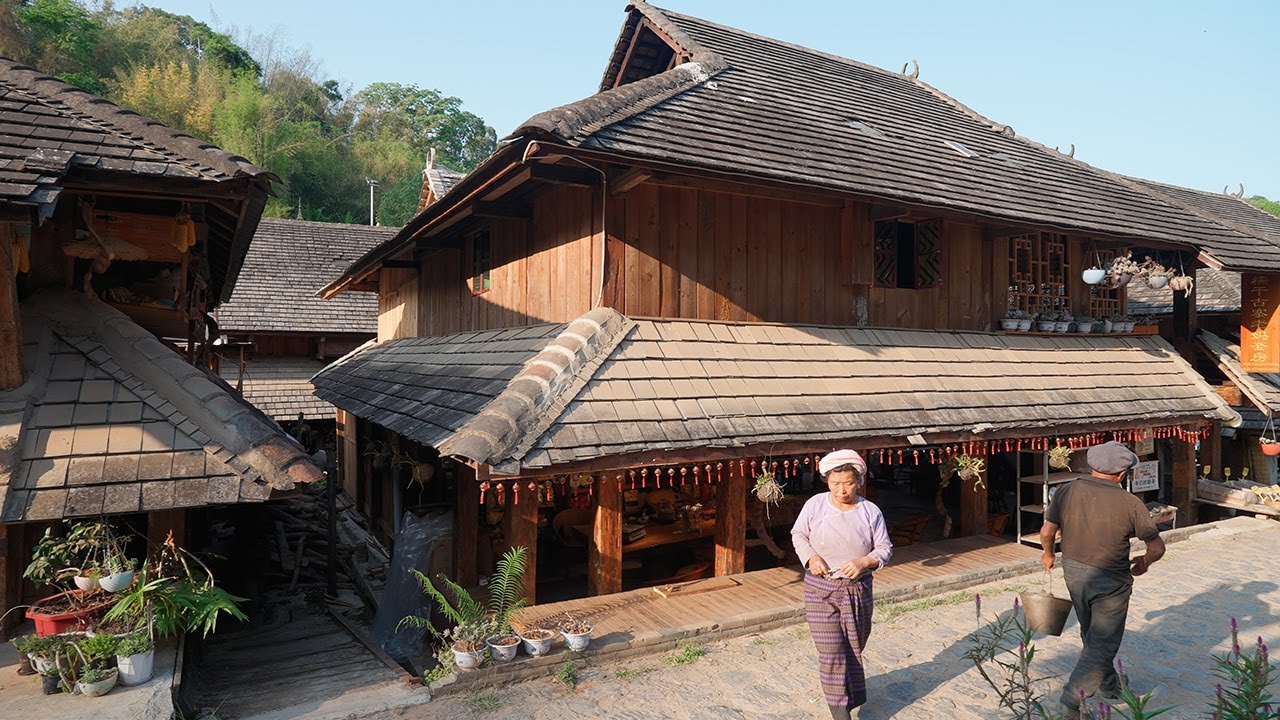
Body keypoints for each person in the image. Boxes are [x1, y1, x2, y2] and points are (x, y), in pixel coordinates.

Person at [1040, 441, 1165, 713]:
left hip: (1073, 572)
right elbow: (1157, 547)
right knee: (1102, 643)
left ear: (1091, 466)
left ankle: (1109, 686)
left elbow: (1047, 532)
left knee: (1092, 633)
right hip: (1111, 581)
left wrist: (1048, 555)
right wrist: (1144, 561)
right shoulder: (1131, 503)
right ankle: (1070, 702)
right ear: (1121, 474)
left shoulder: (1066, 490)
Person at [791, 449, 893, 720]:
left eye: (848, 482)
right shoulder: (815, 505)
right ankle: (839, 711)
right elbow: (798, 534)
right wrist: (810, 557)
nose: (842, 490)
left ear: (858, 480)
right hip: (820, 589)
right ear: (827, 481)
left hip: (857, 591)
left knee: (853, 646)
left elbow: (884, 548)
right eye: (836, 483)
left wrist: (864, 562)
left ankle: (849, 695)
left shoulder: (870, 511)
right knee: (831, 650)